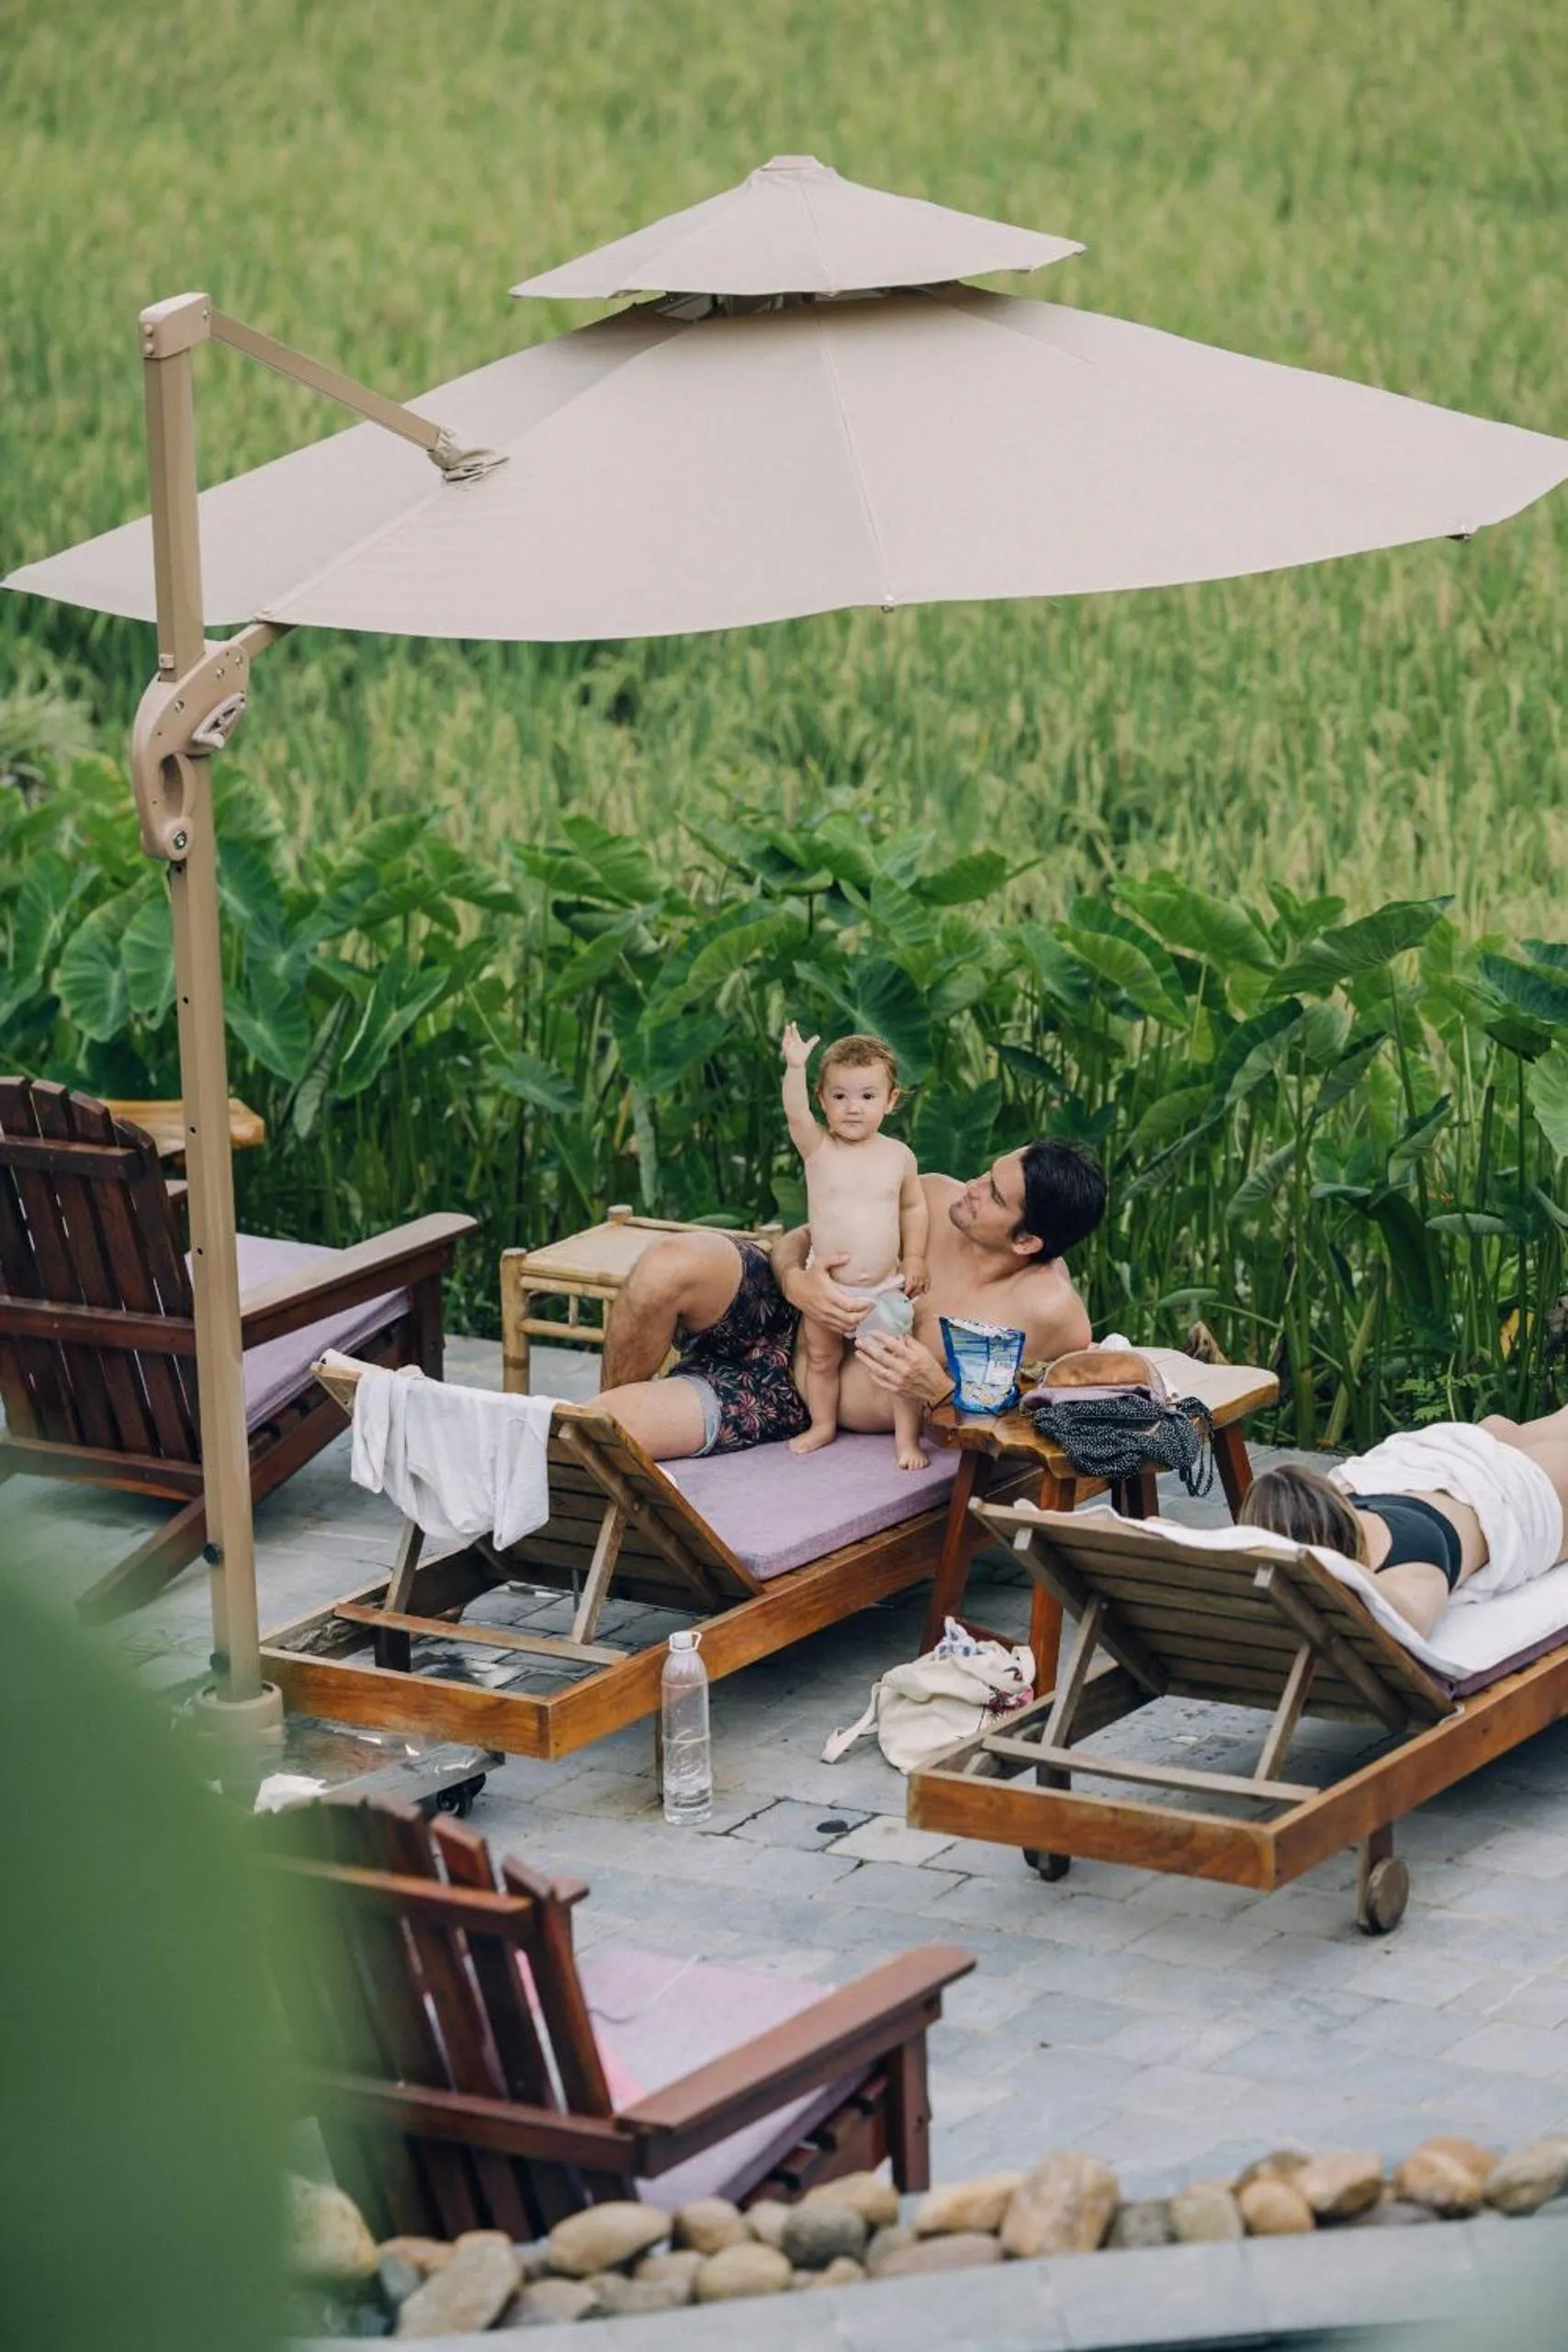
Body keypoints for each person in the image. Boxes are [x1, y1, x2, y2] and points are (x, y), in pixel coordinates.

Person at [595, 1138, 1109, 1463]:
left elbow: (1038, 1425)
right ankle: (610, 1467)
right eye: (987, 1173)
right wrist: (796, 1280)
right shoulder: (931, 1198)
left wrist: (936, 1388)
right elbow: (799, 1238)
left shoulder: (1050, 1314)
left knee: (611, 1424)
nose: (972, 1188)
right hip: (779, 1302)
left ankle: (606, 1462)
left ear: (1026, 1242)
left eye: (994, 1194)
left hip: (790, 1397)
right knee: (667, 1264)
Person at [1238, 1404, 1568, 1638]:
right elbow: (1411, 1622)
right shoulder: (1413, 1564)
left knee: (1532, 1432)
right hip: (1498, 1483)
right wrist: (1331, 1567)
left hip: (1454, 1467)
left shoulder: (1405, 1558)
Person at [779, 1023, 930, 1468]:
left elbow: (913, 1207)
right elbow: (794, 1115)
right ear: (822, 1100)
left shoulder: (899, 1156)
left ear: (890, 1100)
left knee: (897, 1368)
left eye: (867, 1096)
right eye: (839, 1097)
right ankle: (822, 1424)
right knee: (821, 1359)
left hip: (884, 1288)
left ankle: (907, 1440)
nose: (852, 1108)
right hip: (828, 1288)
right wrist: (794, 1068)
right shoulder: (819, 1148)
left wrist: (916, 1256)